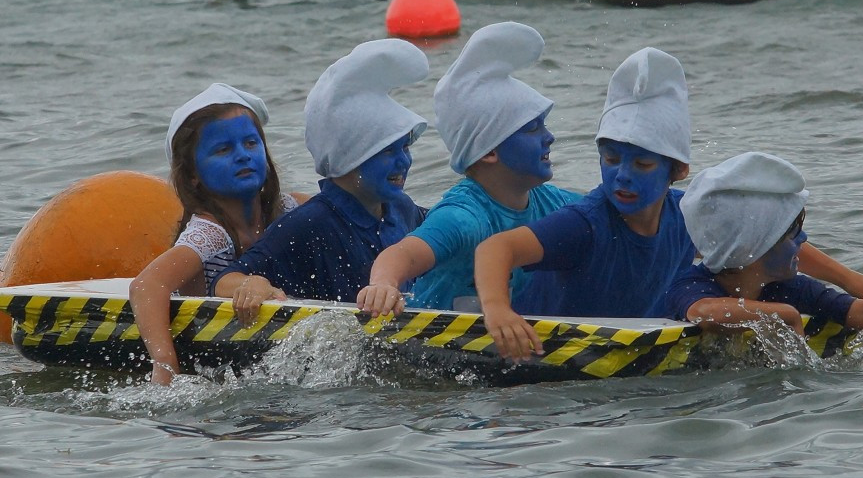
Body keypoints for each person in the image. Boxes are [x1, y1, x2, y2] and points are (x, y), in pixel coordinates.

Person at [475, 47, 697, 359]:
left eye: (642, 164)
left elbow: (747, 243)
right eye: (611, 158)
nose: (621, 176)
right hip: (537, 354)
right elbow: (495, 249)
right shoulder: (584, 224)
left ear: (679, 169)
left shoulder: (690, 215)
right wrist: (497, 309)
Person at [357, 22, 579, 316]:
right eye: (533, 129)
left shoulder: (555, 204)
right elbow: (403, 254)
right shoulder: (463, 217)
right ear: (489, 151)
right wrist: (383, 284)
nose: (549, 137)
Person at [212, 38, 429, 314]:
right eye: (387, 152)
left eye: (406, 146)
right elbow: (224, 281)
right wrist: (253, 284)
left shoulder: (402, 207)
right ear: (348, 158)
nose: (404, 161)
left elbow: (444, 231)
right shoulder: (311, 223)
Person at [653, 151, 863, 348]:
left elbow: (856, 310)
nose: (803, 240)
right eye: (792, 232)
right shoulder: (692, 284)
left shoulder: (787, 287)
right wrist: (781, 315)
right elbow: (703, 311)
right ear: (750, 247)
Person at [131, 83, 297, 386]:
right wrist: (165, 364)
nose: (242, 156)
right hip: (208, 354)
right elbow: (146, 286)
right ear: (192, 175)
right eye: (223, 150)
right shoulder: (209, 232)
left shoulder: (288, 209)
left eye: (251, 143)